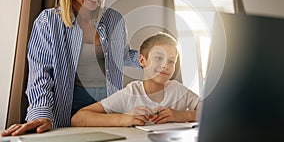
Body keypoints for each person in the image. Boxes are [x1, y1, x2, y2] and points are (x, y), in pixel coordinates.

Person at [1, 0, 139, 137]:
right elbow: (41, 75)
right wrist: (42, 114)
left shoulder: (114, 19)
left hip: (107, 105)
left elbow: (122, 56)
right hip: (69, 106)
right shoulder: (48, 21)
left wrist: (150, 56)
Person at [71, 32, 200, 127]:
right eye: (159, 58)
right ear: (142, 61)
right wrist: (124, 119)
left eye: (171, 61)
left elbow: (214, 113)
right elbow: (78, 118)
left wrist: (183, 115)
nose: (165, 65)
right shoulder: (130, 93)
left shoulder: (179, 90)